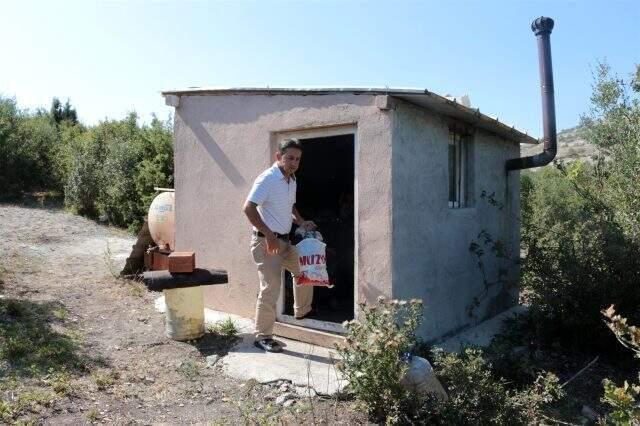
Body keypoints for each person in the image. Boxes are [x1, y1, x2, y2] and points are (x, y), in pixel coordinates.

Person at [243, 138, 316, 353]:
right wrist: (269, 236)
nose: (294, 162)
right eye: (290, 158)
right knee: (271, 288)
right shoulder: (268, 178)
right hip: (266, 242)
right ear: (279, 157)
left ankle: (301, 311)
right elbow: (248, 208)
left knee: (306, 269)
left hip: (284, 241)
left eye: (298, 159)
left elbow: (289, 207)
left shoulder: (291, 180)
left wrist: (301, 222)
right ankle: (262, 336)